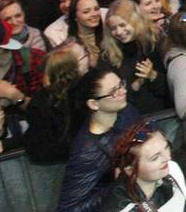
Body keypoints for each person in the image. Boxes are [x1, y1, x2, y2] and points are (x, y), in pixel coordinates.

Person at [55, 68, 142, 212]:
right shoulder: (87, 150)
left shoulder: (127, 111)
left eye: (121, 84)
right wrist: (119, 185)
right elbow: (69, 208)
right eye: (114, 91)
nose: (123, 91)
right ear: (94, 104)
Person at [101, 121, 186, 212]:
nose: (167, 158)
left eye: (167, 148)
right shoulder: (122, 207)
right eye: (155, 158)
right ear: (130, 169)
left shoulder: (170, 171)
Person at [24, 40, 91, 164]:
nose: (88, 58)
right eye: (84, 55)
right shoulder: (90, 90)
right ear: (74, 65)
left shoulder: (39, 99)